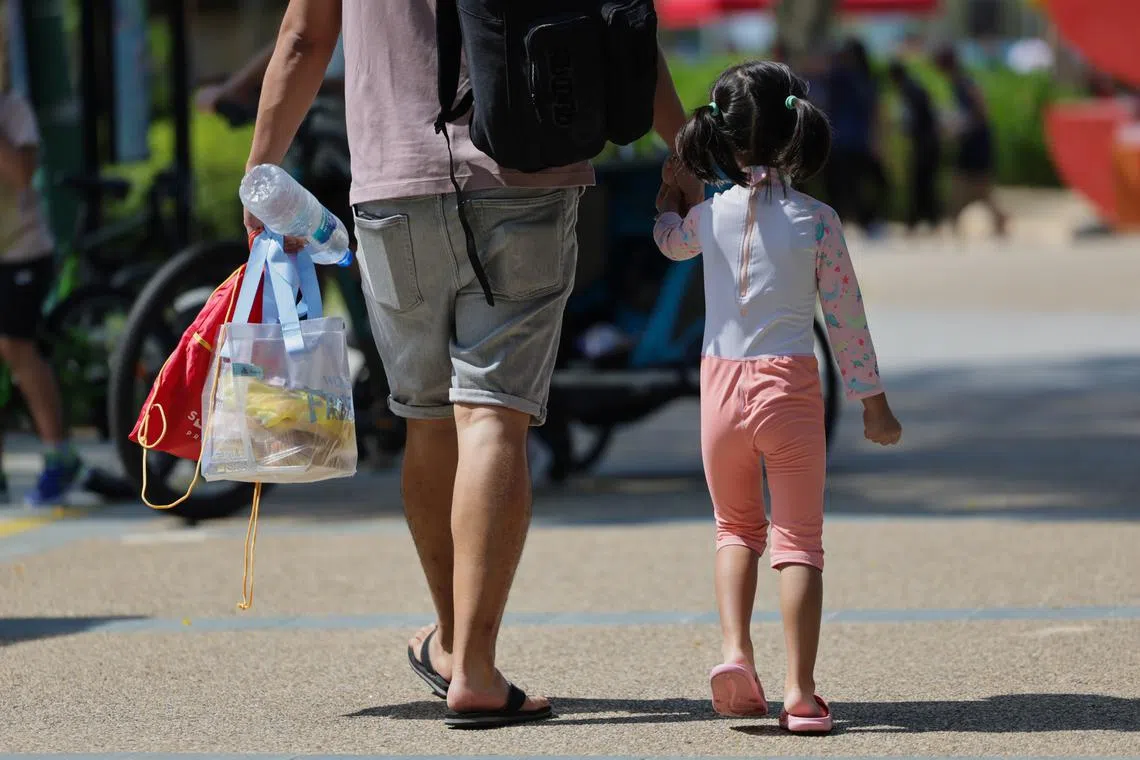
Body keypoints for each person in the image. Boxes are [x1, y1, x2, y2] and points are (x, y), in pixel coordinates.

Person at [245, 0, 702, 728]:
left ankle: (455, 643)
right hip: (528, 173)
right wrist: (681, 150)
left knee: (428, 420)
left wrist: (261, 171)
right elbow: (621, 23)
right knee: (494, 417)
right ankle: (477, 669)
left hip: (394, 186)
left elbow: (304, 37)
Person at [653, 60, 902, 733]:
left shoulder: (707, 218)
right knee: (800, 541)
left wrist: (672, 198)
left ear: (725, 139)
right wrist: (871, 399)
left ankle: (736, 651)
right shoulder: (818, 221)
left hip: (720, 389)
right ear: (795, 132)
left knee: (735, 528)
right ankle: (801, 692)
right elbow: (844, 316)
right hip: (790, 388)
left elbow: (669, 244)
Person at [0, 88, 82, 505]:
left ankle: (58, 455)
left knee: (16, 347)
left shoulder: (12, 108)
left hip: (22, 252)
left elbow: (22, 174)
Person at [934, 45, 1008, 236]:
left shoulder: (964, 83)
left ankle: (956, 223)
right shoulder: (959, 83)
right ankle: (994, 220)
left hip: (977, 145)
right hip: (972, 144)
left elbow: (981, 110)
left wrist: (962, 125)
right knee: (976, 190)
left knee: (971, 189)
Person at [824, 38, 888, 236]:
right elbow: (875, 112)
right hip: (855, 140)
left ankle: (847, 221)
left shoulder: (839, 76)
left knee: (844, 185)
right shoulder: (866, 78)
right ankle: (864, 221)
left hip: (843, 140)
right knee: (858, 184)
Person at [888, 59, 941, 232]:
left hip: (924, 143)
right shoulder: (915, 87)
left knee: (920, 183)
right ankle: (929, 220)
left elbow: (913, 120)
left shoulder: (909, 90)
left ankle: (917, 221)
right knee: (925, 183)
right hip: (928, 142)